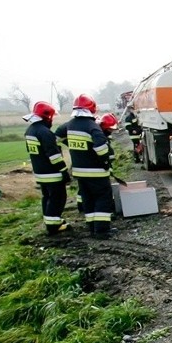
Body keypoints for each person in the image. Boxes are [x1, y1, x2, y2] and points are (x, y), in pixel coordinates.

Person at [55, 94, 114, 239]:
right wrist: (106, 163)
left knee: (88, 199)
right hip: (97, 172)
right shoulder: (93, 127)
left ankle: (92, 227)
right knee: (103, 198)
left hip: (79, 172)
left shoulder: (69, 125)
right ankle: (102, 230)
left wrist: (71, 146)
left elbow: (56, 137)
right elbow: (101, 149)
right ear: (92, 108)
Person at [24, 101, 70, 235]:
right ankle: (53, 226)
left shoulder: (30, 131)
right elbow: (54, 155)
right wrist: (63, 171)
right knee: (58, 198)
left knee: (47, 197)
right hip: (52, 173)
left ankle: (50, 221)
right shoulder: (45, 133)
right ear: (48, 117)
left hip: (39, 172)